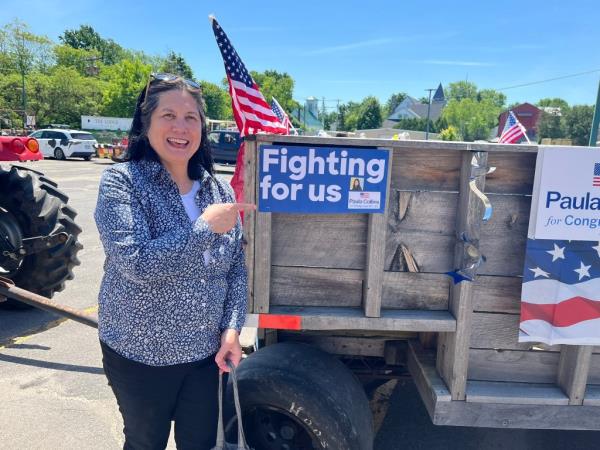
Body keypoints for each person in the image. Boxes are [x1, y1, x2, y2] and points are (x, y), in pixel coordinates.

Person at [94, 73, 254, 450]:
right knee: (144, 442)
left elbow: (235, 270)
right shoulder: (123, 182)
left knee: (199, 444)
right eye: (168, 115)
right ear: (145, 123)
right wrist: (203, 228)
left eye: (191, 117)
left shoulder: (218, 188)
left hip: (205, 355)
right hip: (141, 353)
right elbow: (137, 263)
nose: (181, 127)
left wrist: (232, 329)